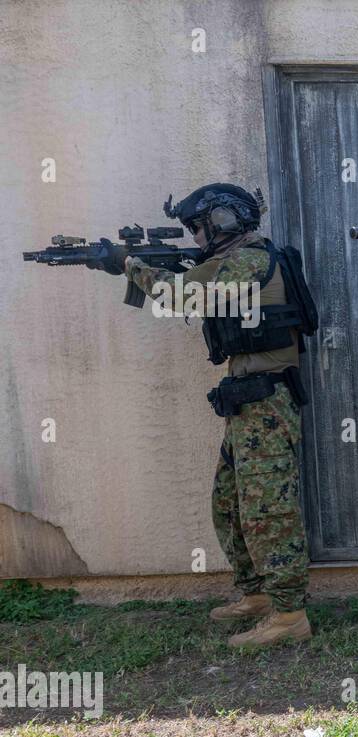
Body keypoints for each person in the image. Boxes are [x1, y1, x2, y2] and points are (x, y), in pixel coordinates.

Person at [125, 183, 317, 647]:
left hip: (267, 405)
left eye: (199, 227)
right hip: (247, 404)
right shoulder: (228, 261)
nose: (194, 238)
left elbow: (184, 297)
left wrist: (132, 267)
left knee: (269, 511)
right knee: (230, 505)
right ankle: (257, 595)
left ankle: (290, 616)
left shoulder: (249, 260)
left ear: (225, 221)